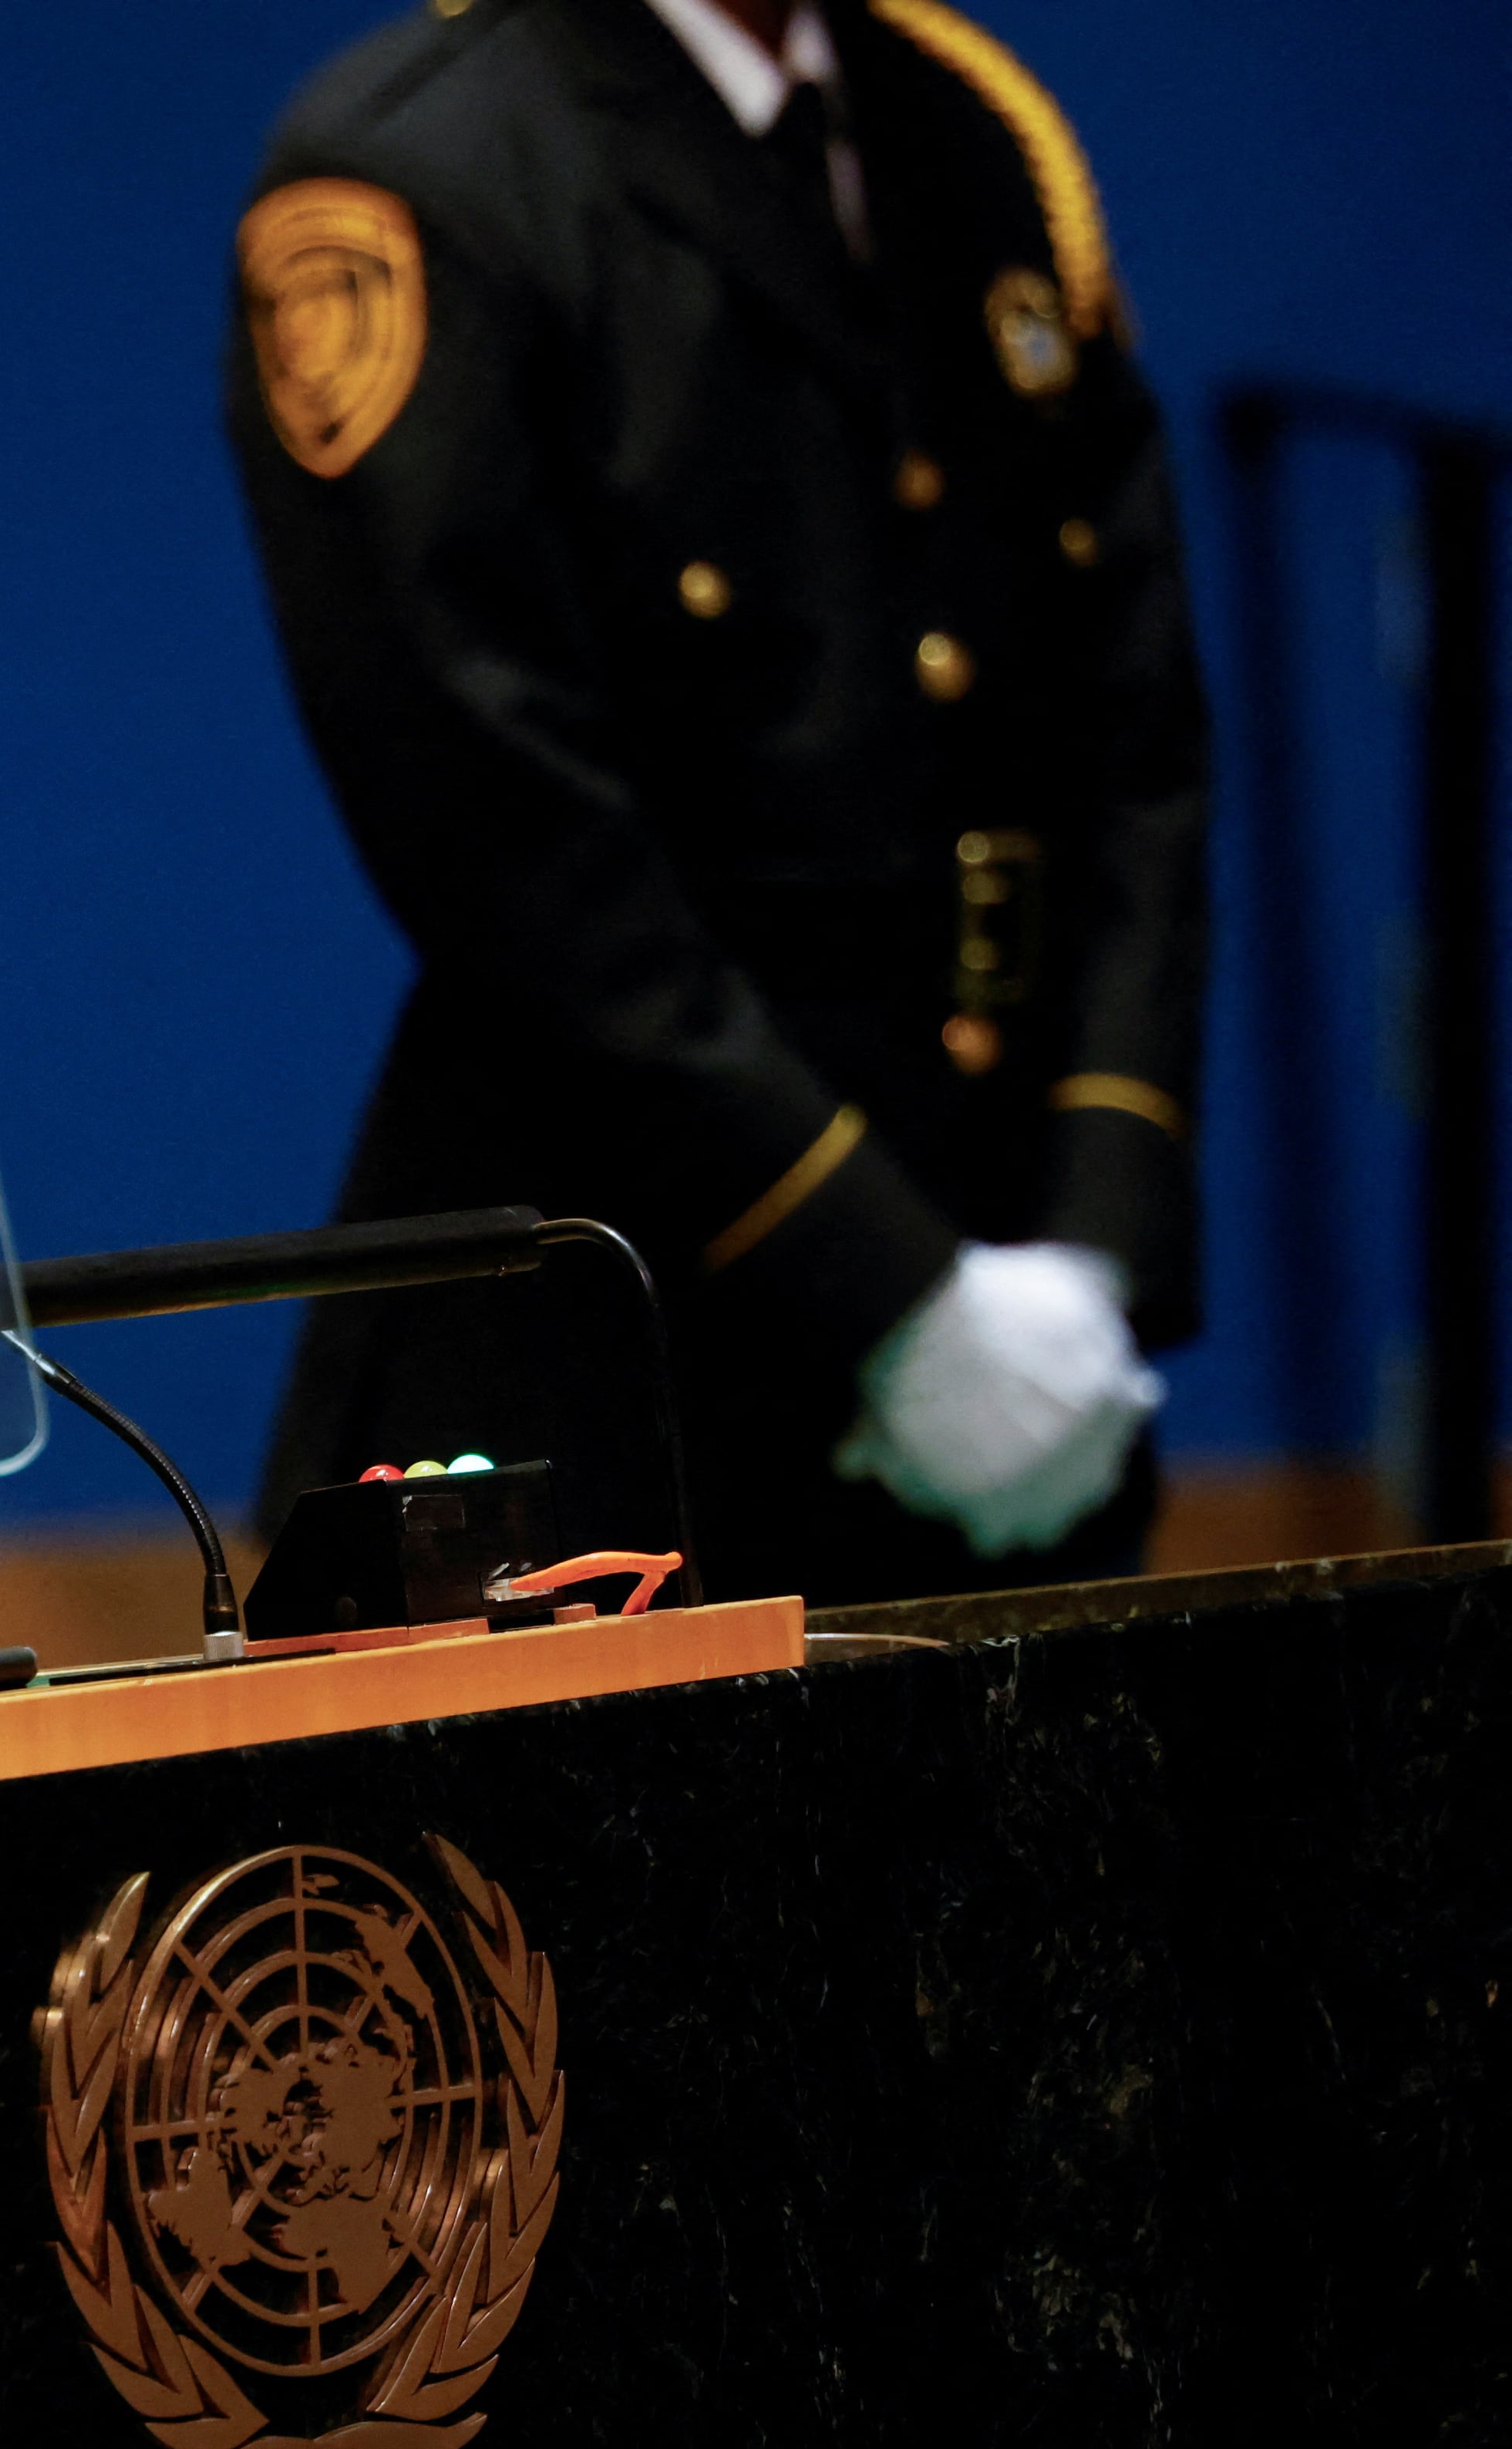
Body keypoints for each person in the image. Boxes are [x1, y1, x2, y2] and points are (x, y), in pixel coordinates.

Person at [228, 0, 1206, 1606]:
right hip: (606, 1366)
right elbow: (493, 824)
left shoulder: (970, 134)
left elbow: (1136, 734)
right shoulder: (421, 166)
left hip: (1029, 1355)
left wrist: (1090, 1240)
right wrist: (893, 1291)